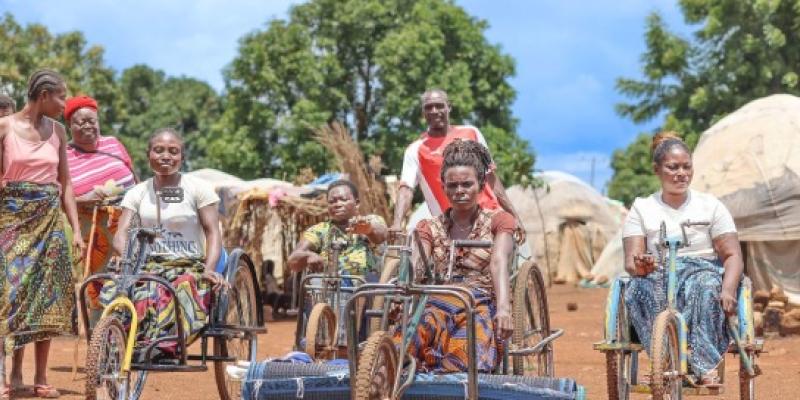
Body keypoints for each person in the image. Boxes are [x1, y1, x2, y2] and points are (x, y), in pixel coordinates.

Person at [622, 132, 744, 386]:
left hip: (702, 270)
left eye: (686, 167)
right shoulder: (642, 208)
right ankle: (662, 360)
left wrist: (729, 288)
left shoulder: (710, 206)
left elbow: (732, 255)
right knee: (637, 289)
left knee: (706, 287)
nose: (681, 173)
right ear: (657, 170)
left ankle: (703, 365)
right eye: (672, 167)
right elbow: (631, 261)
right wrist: (641, 265)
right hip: (657, 272)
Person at [102, 128, 225, 357]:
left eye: (173, 151)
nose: (165, 156)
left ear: (182, 157)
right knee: (119, 288)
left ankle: (165, 345)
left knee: (183, 287)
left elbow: (212, 232)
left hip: (188, 265)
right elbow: (122, 232)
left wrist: (209, 269)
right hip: (147, 263)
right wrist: (123, 257)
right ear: (148, 154)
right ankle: (114, 344)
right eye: (158, 150)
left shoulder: (198, 189)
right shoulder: (137, 193)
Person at [0, 69, 85, 398]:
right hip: (12, 221)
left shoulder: (59, 132)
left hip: (50, 220)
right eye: (62, 97)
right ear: (45, 95)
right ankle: (5, 378)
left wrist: (76, 230)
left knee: (47, 296)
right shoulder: (5, 127)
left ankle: (40, 377)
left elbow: (66, 185)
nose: (65, 104)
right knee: (10, 297)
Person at [404, 140, 515, 373]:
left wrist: (504, 308)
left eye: (467, 184)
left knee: (466, 359)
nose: (459, 191)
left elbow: (499, 263)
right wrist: (407, 279)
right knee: (402, 345)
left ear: (481, 185)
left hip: (480, 304)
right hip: (437, 303)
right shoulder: (429, 226)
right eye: (452, 185)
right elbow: (417, 262)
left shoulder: (498, 221)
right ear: (443, 186)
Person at [391, 89, 521, 230]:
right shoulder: (415, 150)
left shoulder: (471, 133)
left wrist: (514, 216)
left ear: (449, 107)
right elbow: (406, 189)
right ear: (423, 113)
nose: (434, 111)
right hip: (452, 228)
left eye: (439, 105)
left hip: (490, 216)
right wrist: (397, 224)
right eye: (428, 107)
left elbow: (491, 178)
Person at [64, 95, 137, 312]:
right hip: (94, 232)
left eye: (92, 120)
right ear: (69, 125)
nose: (88, 125)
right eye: (81, 121)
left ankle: (139, 335)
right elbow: (60, 197)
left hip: (130, 221)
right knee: (100, 284)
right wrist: (82, 199)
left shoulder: (113, 143)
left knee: (135, 278)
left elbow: (134, 176)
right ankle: (102, 339)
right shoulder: (64, 155)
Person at [288, 180, 387, 277]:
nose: (337, 204)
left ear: (356, 203)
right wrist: (307, 256)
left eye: (343, 200)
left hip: (367, 289)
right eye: (332, 201)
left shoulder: (370, 220)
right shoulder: (320, 230)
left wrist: (368, 230)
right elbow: (293, 260)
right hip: (330, 289)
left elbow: (381, 236)